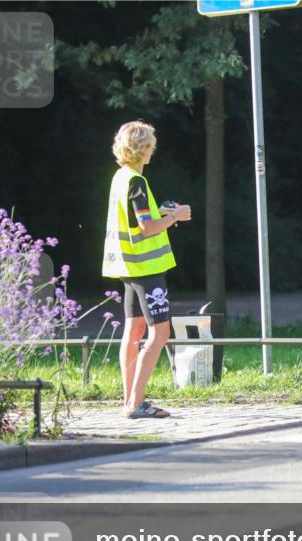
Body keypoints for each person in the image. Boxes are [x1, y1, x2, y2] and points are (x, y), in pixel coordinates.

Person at [102, 120, 192, 419]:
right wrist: (176, 216)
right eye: (151, 146)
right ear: (142, 149)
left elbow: (137, 219)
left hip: (128, 266)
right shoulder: (137, 182)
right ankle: (137, 403)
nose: (153, 150)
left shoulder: (121, 177)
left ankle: (129, 400)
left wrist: (161, 212)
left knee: (133, 332)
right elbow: (147, 227)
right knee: (160, 333)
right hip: (147, 268)